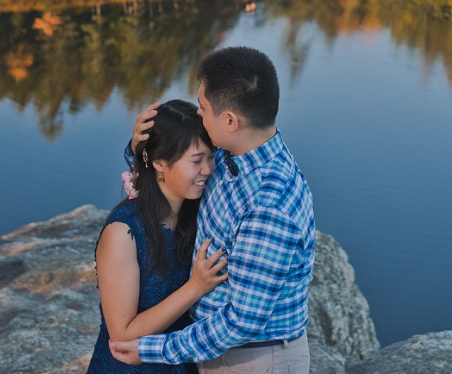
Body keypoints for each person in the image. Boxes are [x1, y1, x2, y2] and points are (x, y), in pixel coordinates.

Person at [110, 46, 315, 374]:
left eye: (203, 109)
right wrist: (140, 147)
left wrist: (152, 349)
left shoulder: (269, 204)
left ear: (230, 120)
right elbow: (176, 168)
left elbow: (242, 321)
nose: (199, 116)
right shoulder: (229, 155)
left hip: (255, 358)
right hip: (219, 351)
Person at [88, 100, 230, 374]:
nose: (208, 169)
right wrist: (195, 288)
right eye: (197, 160)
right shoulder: (123, 233)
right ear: (160, 163)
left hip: (182, 362)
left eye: (211, 157)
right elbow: (122, 334)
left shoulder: (198, 211)